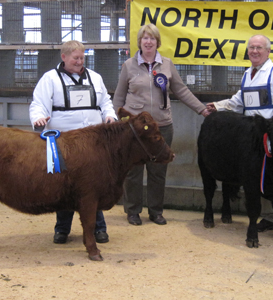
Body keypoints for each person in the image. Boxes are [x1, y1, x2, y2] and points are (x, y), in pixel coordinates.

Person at [203, 34, 273, 244]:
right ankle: (268, 219)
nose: (255, 51)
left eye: (259, 48)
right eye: (251, 48)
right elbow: (239, 101)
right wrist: (219, 106)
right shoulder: (247, 75)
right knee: (262, 179)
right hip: (255, 138)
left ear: (268, 51)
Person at [113, 23, 207, 226]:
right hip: (135, 129)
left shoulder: (167, 64)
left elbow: (181, 91)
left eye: (152, 38)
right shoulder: (129, 65)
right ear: (139, 42)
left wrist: (202, 109)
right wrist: (116, 121)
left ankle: (156, 212)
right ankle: (132, 211)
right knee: (133, 172)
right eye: (145, 38)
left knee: (158, 171)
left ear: (157, 42)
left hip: (162, 126)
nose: (148, 42)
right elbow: (119, 96)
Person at [29, 40, 117, 244]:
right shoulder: (49, 79)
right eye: (75, 58)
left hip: (93, 144)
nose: (79, 62)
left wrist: (109, 116)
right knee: (65, 186)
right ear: (64, 57)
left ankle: (99, 228)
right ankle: (62, 229)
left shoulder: (95, 78)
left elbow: (105, 102)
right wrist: (39, 118)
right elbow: (39, 103)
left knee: (93, 185)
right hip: (64, 144)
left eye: (82, 58)